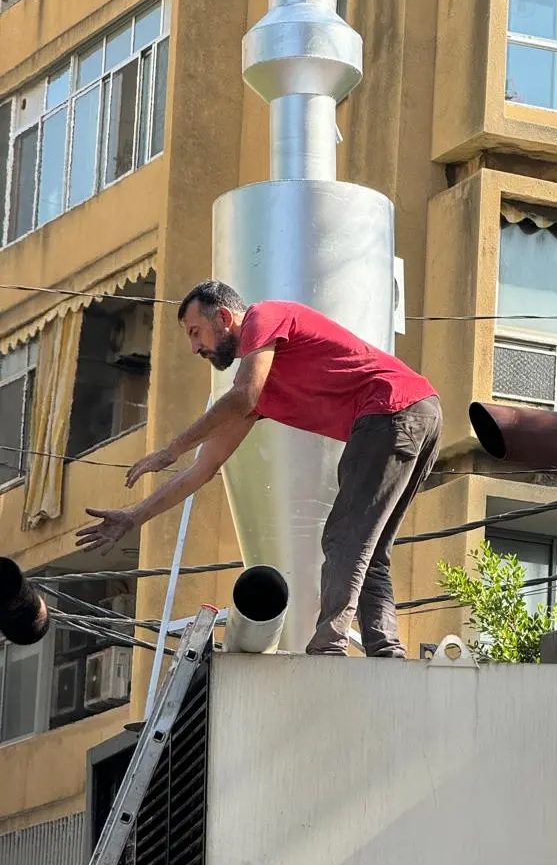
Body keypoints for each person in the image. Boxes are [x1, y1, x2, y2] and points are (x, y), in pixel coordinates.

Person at [77, 281, 442, 658]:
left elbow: (242, 395)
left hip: (391, 410)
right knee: (368, 546)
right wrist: (134, 516)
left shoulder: (263, 316)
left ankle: (329, 647)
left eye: (196, 332)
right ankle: (385, 649)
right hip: (417, 413)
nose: (194, 347)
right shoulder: (258, 394)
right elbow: (202, 469)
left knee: (343, 539)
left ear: (224, 317)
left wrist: (171, 449)